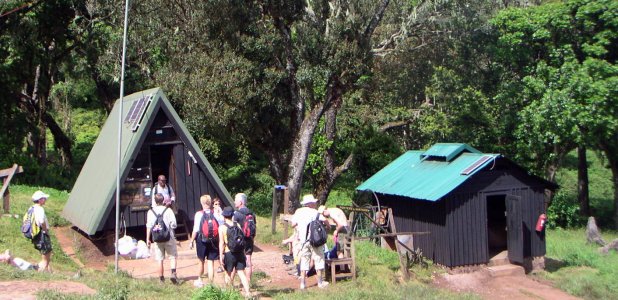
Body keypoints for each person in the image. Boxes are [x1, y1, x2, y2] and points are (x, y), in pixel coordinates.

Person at [291, 194, 330, 289]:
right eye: (314, 202)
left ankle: (303, 284)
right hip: (315, 240)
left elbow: (293, 224)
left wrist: (300, 230)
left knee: (304, 261)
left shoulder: (298, 211)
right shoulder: (315, 212)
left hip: (303, 241)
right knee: (319, 259)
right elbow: (325, 221)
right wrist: (327, 228)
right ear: (311, 203)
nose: (315, 204)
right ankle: (320, 283)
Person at [146, 193, 178, 284]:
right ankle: (173, 273)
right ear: (163, 200)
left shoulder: (150, 212)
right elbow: (174, 224)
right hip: (169, 237)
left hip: (157, 238)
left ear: (155, 201)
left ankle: (161, 279)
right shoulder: (168, 210)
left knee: (159, 259)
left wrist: (147, 239)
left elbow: (149, 226)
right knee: (172, 256)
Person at [219, 207, 251, 297]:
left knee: (228, 273)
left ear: (224, 216)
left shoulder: (222, 227)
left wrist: (221, 255)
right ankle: (248, 293)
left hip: (229, 252)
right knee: (241, 272)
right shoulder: (237, 225)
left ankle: (229, 294)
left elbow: (221, 243)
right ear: (232, 215)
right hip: (239, 252)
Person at [190, 195, 219, 286]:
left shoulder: (199, 214)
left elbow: (195, 229)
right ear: (210, 203)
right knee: (211, 261)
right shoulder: (215, 213)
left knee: (201, 260)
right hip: (213, 240)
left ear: (202, 203)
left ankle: (200, 280)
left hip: (201, 240)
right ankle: (211, 283)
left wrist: (191, 240)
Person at [232, 193, 256, 282]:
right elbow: (254, 228)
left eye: (236, 200)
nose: (234, 202)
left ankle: (231, 283)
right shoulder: (252, 213)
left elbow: (233, 229)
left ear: (241, 202)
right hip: (249, 239)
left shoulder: (236, 214)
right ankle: (248, 281)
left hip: (239, 241)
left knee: (235, 260)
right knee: (248, 260)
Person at [31, 190, 52, 272]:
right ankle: (41, 272)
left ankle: (48, 271)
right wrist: (45, 231)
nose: (45, 200)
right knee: (46, 255)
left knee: (45, 255)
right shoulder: (40, 209)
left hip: (36, 234)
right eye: (44, 198)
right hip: (41, 234)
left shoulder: (32, 208)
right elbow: (41, 221)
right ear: (40, 200)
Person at [212, 197, 225, 273]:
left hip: (223, 231)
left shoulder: (222, 212)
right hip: (216, 233)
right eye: (216, 204)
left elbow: (223, 220)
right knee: (218, 249)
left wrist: (220, 212)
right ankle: (220, 265)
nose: (218, 205)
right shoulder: (213, 213)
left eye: (219, 204)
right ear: (213, 205)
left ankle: (224, 264)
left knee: (224, 248)